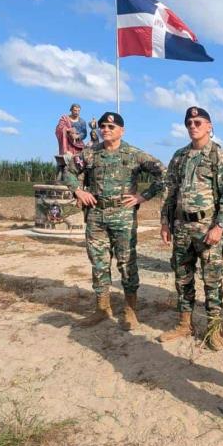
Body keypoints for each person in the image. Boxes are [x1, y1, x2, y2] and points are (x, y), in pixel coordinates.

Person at [61, 112, 167, 331]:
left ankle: (130, 310)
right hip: (96, 216)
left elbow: (163, 174)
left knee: (126, 263)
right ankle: (102, 308)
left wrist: (142, 197)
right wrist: (78, 191)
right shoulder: (90, 154)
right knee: (99, 263)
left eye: (111, 126)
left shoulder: (135, 154)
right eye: (103, 126)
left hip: (123, 216)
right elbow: (69, 172)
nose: (106, 129)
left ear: (122, 130)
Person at [159, 106, 223, 351]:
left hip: (207, 227)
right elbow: (170, 191)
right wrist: (165, 221)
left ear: (210, 126)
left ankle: (214, 330)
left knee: (212, 279)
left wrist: (219, 226)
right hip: (182, 226)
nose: (193, 126)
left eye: (198, 122)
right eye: (189, 123)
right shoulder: (179, 156)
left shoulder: (219, 156)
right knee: (183, 278)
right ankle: (185, 323)